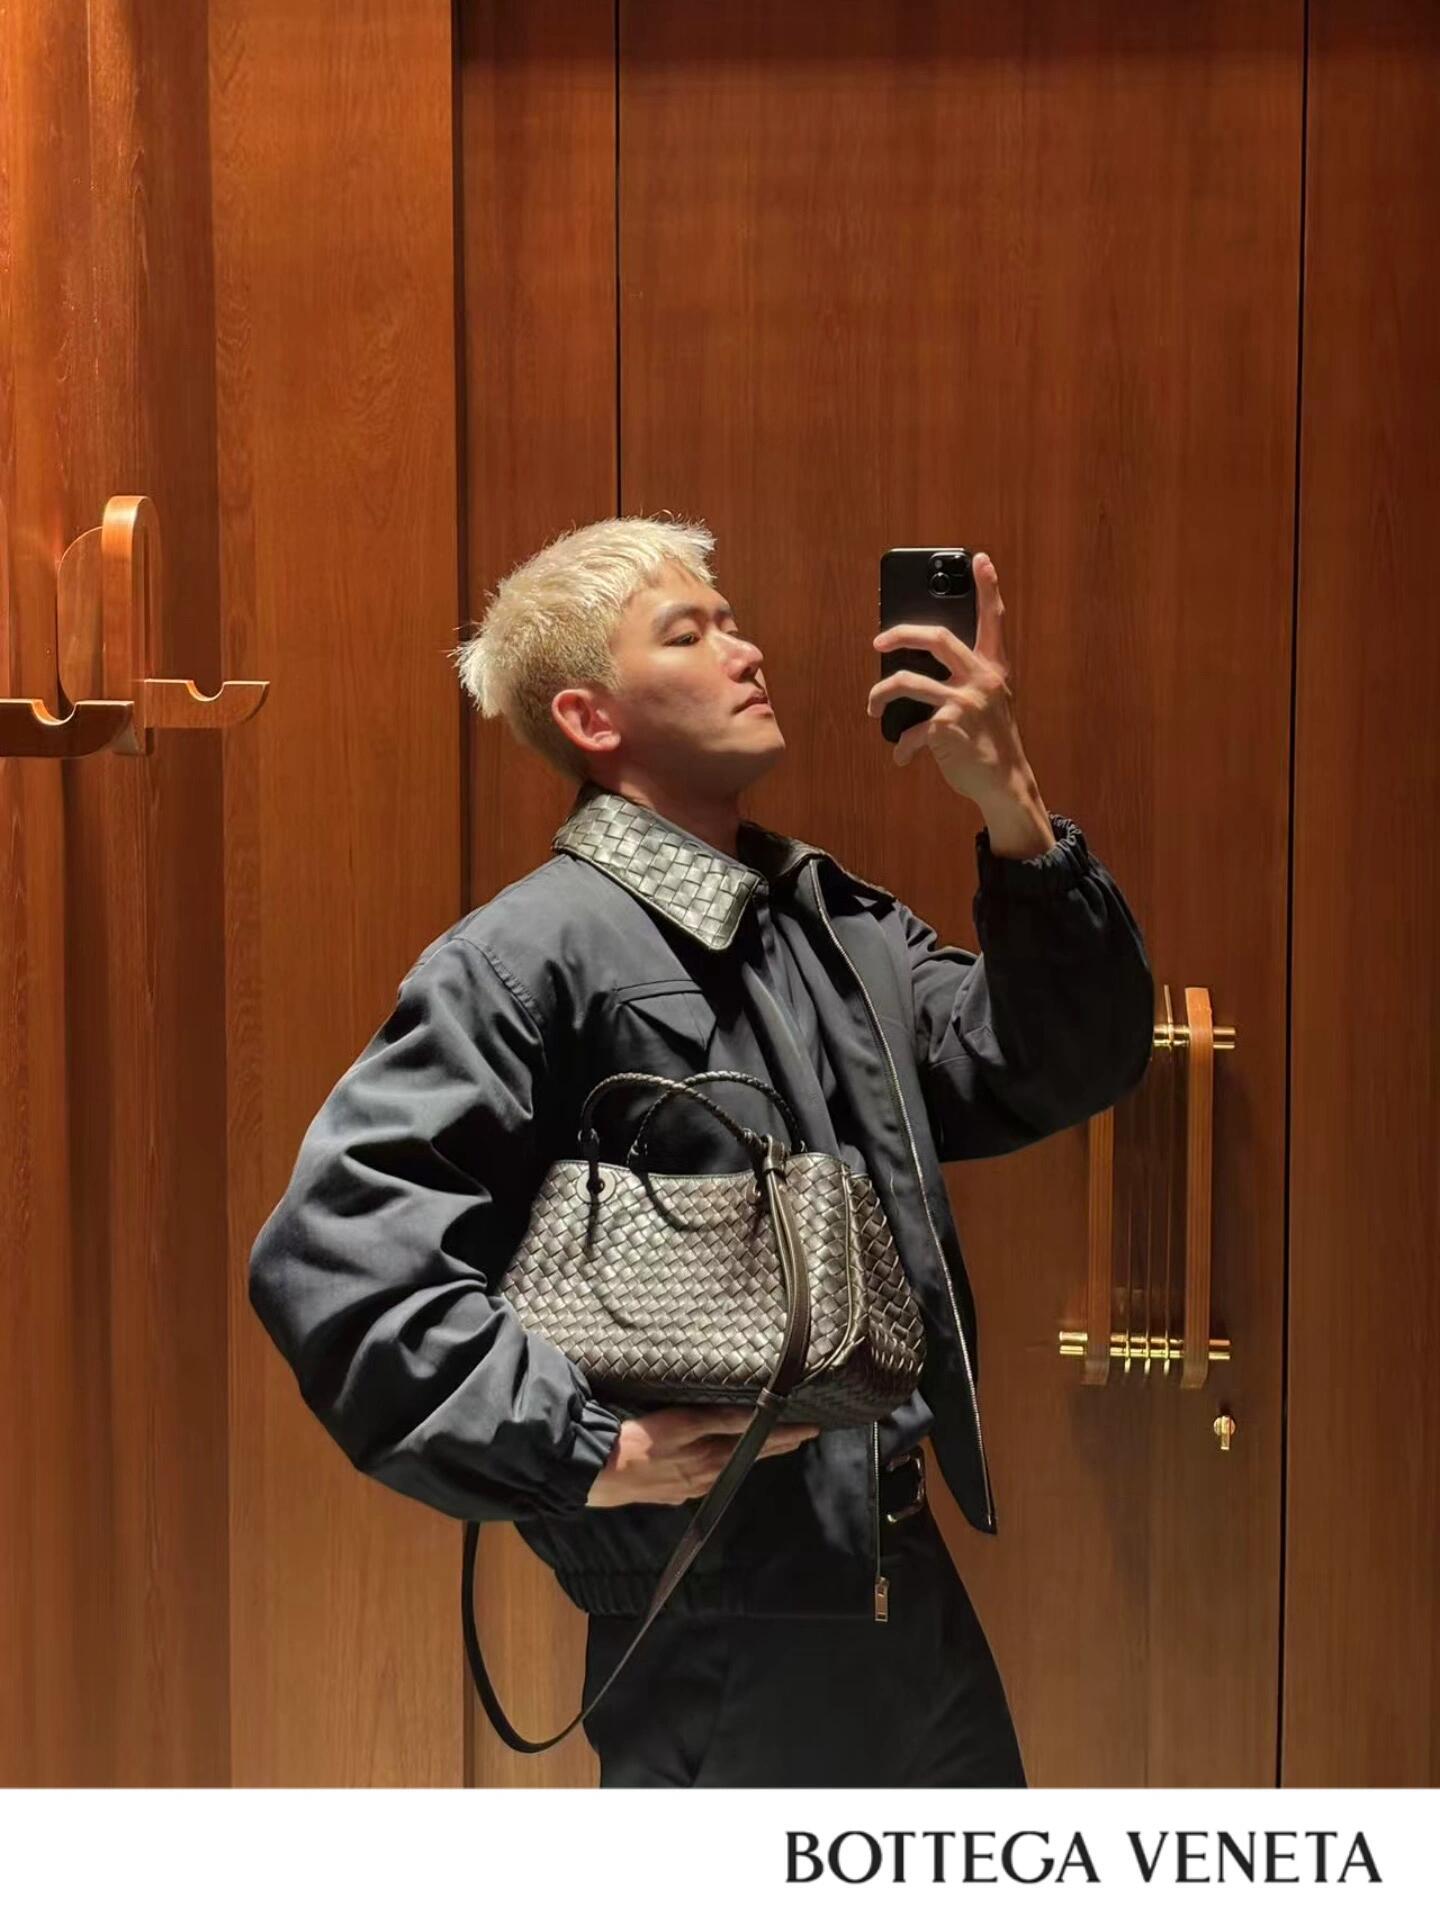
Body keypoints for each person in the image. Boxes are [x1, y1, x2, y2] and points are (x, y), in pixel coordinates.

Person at [248, 513, 1154, 1788]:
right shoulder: (527, 959)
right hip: (718, 1624)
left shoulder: (826, 926)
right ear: (590, 718)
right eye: (690, 633)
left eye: (732, 621)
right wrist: (586, 1449)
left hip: (904, 1588)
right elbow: (341, 1265)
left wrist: (1014, 804)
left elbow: (1057, 1061)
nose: (747, 649)